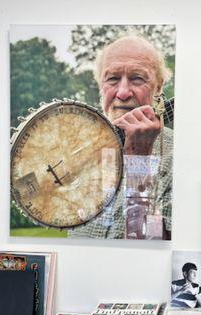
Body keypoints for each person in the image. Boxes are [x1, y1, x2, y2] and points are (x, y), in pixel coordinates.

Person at [69, 35, 173, 239]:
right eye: (113, 79)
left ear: (158, 86)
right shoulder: (82, 150)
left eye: (137, 78)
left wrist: (139, 163)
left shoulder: (179, 157)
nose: (123, 92)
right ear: (101, 85)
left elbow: (147, 245)